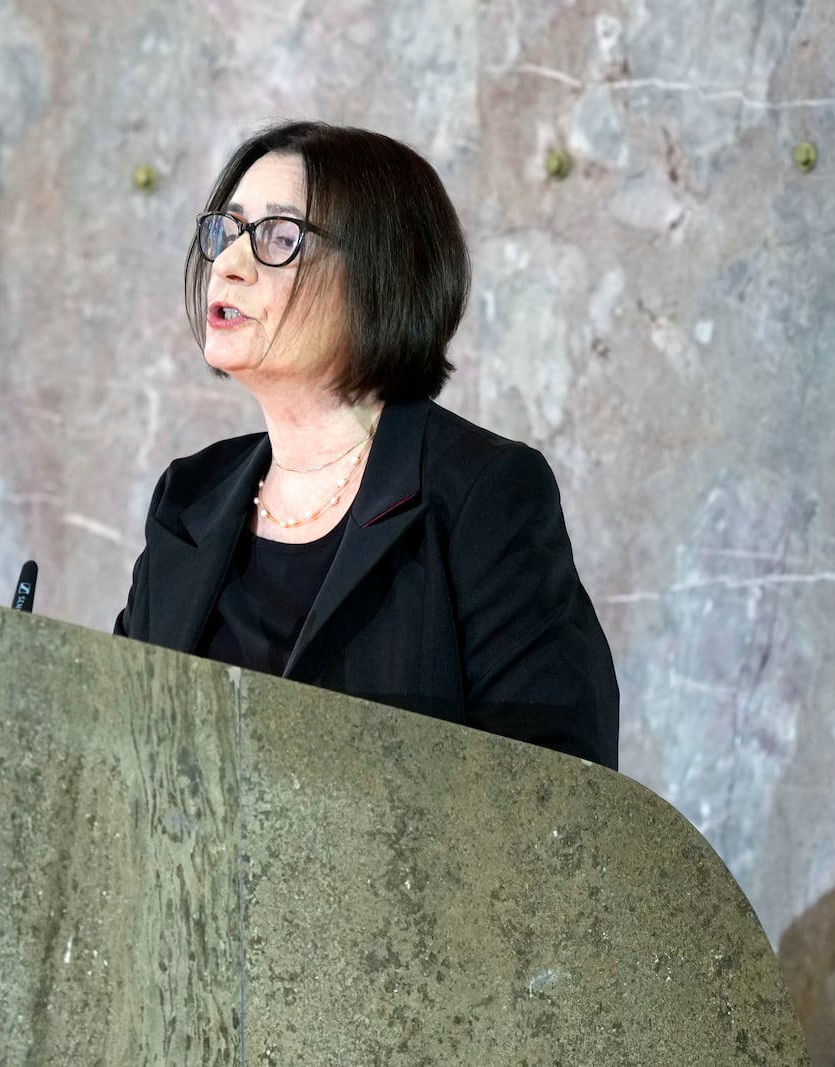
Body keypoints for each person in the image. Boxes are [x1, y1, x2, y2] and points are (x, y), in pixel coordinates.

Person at [113, 121, 619, 770]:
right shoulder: (191, 497)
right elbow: (121, 754)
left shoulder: (481, 494)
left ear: (380, 275)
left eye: (278, 238)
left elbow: (560, 796)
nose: (230, 265)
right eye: (226, 230)